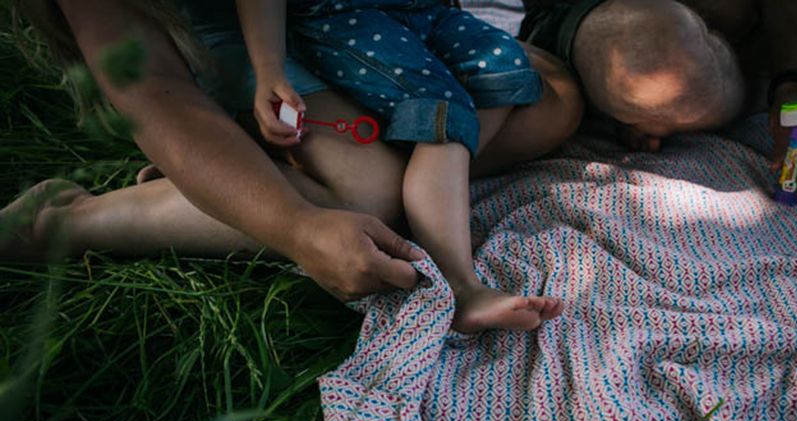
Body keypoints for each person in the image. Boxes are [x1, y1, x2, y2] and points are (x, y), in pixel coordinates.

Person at [1, 0, 582, 306]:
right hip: (216, 54)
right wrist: (298, 227)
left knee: (547, 98)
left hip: (330, 24)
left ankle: (234, 176)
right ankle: (67, 220)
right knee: (367, 192)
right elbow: (157, 96)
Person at [235, 0, 564, 332]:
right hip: (342, 16)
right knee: (441, 107)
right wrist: (269, 68)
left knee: (507, 68)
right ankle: (461, 289)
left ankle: (435, 195)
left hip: (421, 10)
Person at [520, 0, 797, 199]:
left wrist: (795, 87)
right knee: (660, 59)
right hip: (603, 15)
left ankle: (742, 80)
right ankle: (750, 81)